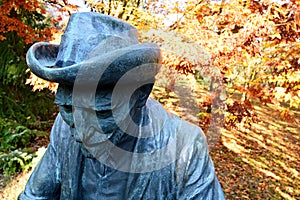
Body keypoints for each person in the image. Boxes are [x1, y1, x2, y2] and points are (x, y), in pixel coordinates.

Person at [19, 12, 225, 200]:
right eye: (68, 109)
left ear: (141, 94)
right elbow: (34, 197)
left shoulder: (185, 147)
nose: (80, 132)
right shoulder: (64, 128)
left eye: (100, 112)